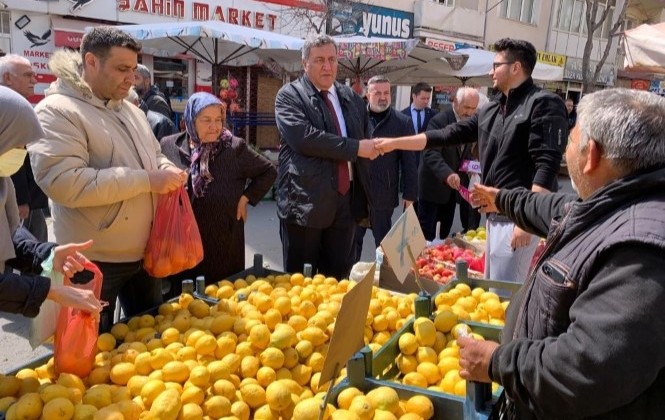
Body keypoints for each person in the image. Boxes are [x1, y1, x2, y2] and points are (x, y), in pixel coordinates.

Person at [458, 88, 665, 419]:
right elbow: (554, 208)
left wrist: (496, 362)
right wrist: (502, 199)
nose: (565, 150)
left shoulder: (641, 249)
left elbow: (589, 369)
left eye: (570, 140)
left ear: (591, 155)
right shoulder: (616, 201)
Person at [28, 27, 187, 332]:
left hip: (145, 253)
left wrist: (168, 170)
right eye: (122, 69)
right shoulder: (57, 110)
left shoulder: (130, 109)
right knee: (89, 350)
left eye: (133, 68)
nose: (132, 78)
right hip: (92, 261)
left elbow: (155, 153)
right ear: (91, 61)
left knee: (151, 343)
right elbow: (64, 183)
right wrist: (147, 180)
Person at [375, 38, 566, 283]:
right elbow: (445, 135)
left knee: (506, 292)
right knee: (493, 288)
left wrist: (527, 220)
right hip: (494, 214)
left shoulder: (542, 103)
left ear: (516, 67)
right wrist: (394, 143)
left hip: (519, 216)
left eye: (496, 65)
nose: (490, 71)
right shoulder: (492, 109)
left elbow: (547, 164)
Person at [274, 34, 378, 280]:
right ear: (305, 63)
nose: (327, 66)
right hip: (304, 204)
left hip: (345, 204)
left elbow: (366, 141)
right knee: (301, 283)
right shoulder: (289, 96)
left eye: (332, 59)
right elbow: (305, 138)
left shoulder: (351, 98)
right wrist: (355, 148)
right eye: (319, 60)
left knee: (339, 279)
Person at [0, 85, 102, 318]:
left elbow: (8, 233)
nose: (22, 151)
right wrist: (51, 292)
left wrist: (46, 254)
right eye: (17, 143)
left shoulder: (2, 181)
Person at [161, 92, 276, 286]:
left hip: (223, 239)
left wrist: (246, 198)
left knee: (222, 297)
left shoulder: (233, 148)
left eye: (218, 120)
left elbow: (268, 171)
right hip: (182, 240)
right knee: (184, 301)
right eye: (206, 120)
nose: (214, 127)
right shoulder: (170, 145)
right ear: (190, 119)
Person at [354, 75, 417, 259]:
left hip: (384, 193)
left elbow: (409, 161)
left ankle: (384, 280)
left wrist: (410, 194)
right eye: (378, 93)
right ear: (367, 94)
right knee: (352, 242)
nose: (383, 97)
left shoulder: (402, 122)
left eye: (386, 92)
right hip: (357, 192)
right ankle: (350, 280)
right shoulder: (357, 118)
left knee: (384, 245)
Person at [418, 87, 483, 241]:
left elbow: (463, 153)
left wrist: (472, 166)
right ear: (456, 103)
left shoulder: (470, 123)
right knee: (427, 235)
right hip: (432, 188)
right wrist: (447, 173)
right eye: (466, 107)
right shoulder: (439, 120)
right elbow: (430, 153)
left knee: (443, 233)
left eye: (474, 109)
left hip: (452, 192)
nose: (470, 112)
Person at [0, 54, 49, 242]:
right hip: (19, 202)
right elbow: (10, 157)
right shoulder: (8, 110)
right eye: (28, 75)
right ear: (7, 78)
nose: (34, 80)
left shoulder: (18, 107)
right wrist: (21, 200)